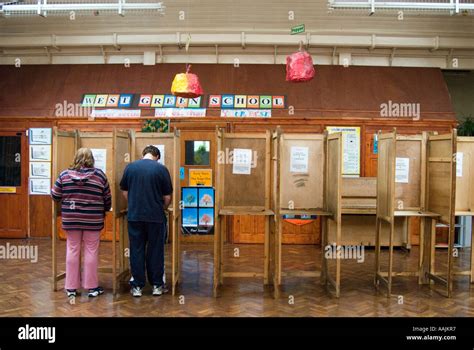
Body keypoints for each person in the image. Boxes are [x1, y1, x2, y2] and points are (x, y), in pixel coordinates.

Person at [51, 148, 111, 299]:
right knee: (91, 251)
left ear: (75, 158)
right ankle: (92, 287)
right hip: (93, 219)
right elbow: (107, 199)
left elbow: (55, 195)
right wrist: (102, 209)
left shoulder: (64, 175)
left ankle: (71, 287)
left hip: (71, 219)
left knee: (72, 249)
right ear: (92, 159)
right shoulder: (99, 176)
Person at [120, 145, 173, 297]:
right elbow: (167, 196)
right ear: (157, 156)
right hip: (155, 216)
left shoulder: (130, 167)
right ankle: (157, 285)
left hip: (135, 215)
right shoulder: (161, 169)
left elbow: (124, 191)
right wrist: (162, 207)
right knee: (156, 250)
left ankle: (137, 286)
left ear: (144, 154)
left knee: (136, 250)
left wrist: (133, 203)